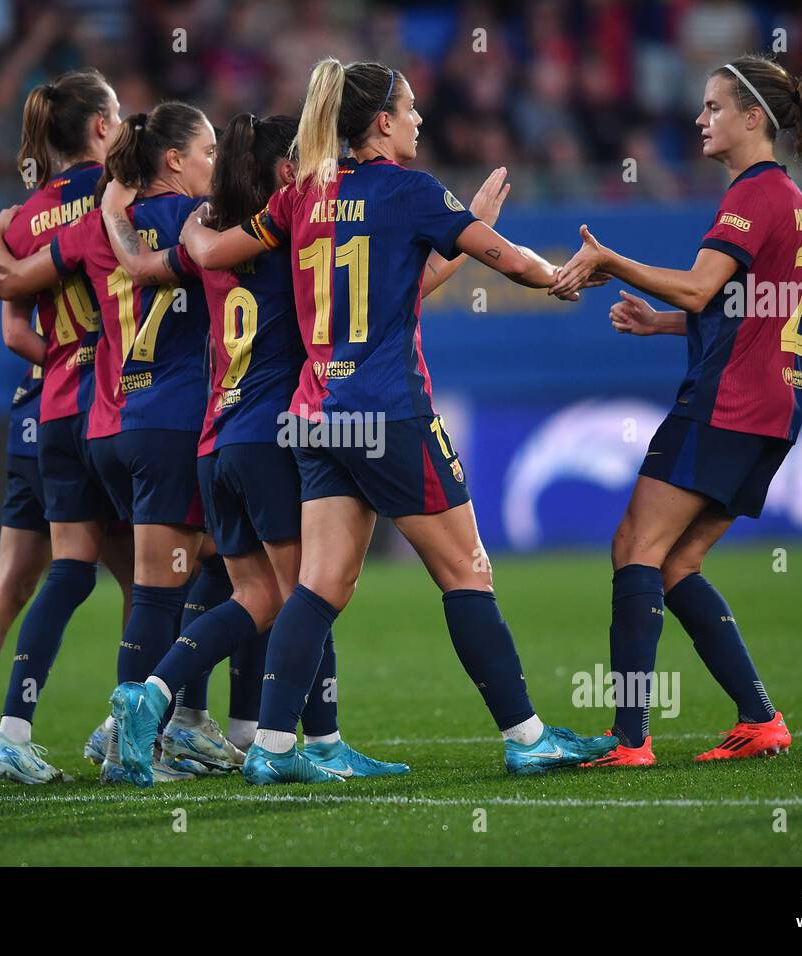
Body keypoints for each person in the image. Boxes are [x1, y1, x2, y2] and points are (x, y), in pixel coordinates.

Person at [136, 59, 615, 785]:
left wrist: (197, 232)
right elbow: (501, 259)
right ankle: (527, 736)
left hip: (315, 416)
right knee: (467, 571)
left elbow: (217, 252)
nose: (421, 118)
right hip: (389, 412)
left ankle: (271, 748)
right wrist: (558, 274)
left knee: (320, 586)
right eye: (412, 107)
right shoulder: (413, 191)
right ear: (383, 122)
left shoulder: (303, 197)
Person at [100, 113, 515, 786]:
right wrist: (469, 231)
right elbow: (389, 296)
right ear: (283, 170)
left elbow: (142, 265)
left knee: (256, 597)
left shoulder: (210, 235)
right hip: (272, 436)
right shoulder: (293, 232)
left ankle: (148, 696)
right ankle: (317, 743)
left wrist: (114, 215)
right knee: (308, 594)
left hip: (216, 442)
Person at [552, 34, 802, 766]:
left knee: (633, 549)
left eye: (714, 107)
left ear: (752, 117)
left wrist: (612, 260)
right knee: (675, 565)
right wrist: (664, 322)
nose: (701, 119)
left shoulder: (754, 194)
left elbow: (703, 286)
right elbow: (749, 307)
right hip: (776, 408)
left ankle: (629, 739)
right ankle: (760, 718)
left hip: (729, 403)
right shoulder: (790, 199)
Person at [0, 102, 233, 784]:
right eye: (207, 150)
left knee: (154, 575)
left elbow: (17, 285)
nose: (216, 162)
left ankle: (143, 727)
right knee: (182, 582)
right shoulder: (196, 225)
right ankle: (137, 736)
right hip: (170, 420)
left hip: (105, 426)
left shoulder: (92, 226)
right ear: (171, 160)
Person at [0, 69, 136, 785]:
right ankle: (136, 729)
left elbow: (14, 330)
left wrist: (66, 349)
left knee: (53, 573)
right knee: (158, 577)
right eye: (118, 114)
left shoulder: (19, 219)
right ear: (98, 126)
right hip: (116, 406)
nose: (124, 126)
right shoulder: (118, 190)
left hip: (49, 404)